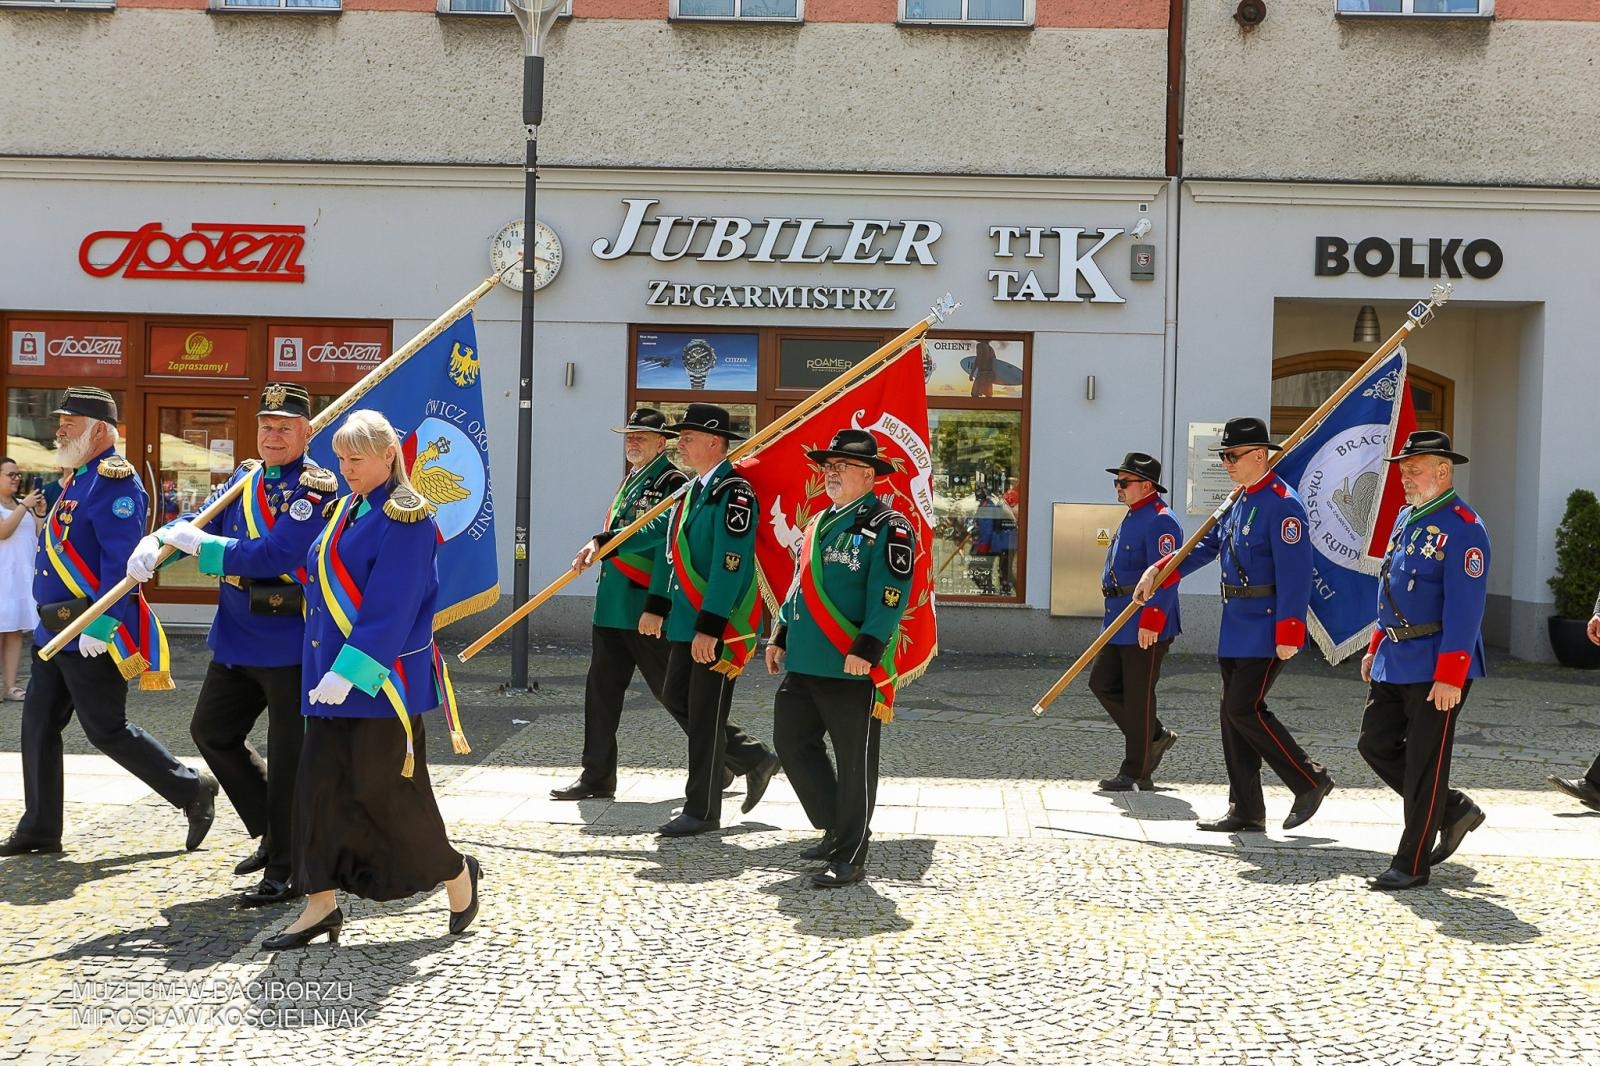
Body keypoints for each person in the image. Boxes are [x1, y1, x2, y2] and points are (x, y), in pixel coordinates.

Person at [262, 409, 478, 951]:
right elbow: (317, 580)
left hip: (379, 687)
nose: (346, 467)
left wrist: (349, 671)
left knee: (389, 797)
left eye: (356, 459)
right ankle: (319, 907)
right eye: (340, 458)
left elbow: (393, 607)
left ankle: (455, 873)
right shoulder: (345, 510)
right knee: (315, 794)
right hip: (326, 684)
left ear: (389, 456)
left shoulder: (408, 519)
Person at [126, 383, 334, 907]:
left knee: (289, 759)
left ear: (306, 433)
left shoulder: (314, 488)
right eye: (266, 425)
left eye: (284, 426)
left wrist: (203, 547)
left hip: (289, 638)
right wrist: (158, 542)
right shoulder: (244, 477)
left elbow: (276, 553)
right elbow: (197, 524)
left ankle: (290, 869)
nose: (272, 435)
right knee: (211, 732)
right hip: (239, 633)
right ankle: (272, 831)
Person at [0, 386, 218, 858]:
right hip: (53, 632)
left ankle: (191, 788)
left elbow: (123, 568)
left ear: (99, 430)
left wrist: (101, 628)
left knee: (105, 729)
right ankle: (40, 826)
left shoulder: (117, 483)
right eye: (60, 419)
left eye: (70, 422)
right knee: (37, 726)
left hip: (89, 629)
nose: (59, 428)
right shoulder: (75, 480)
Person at [1135, 416, 1334, 833]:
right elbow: (1204, 547)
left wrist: (1290, 631)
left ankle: (1309, 778)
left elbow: (1297, 572)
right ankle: (1246, 809)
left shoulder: (1284, 503)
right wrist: (1159, 571)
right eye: (1223, 455)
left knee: (1244, 708)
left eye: (1232, 455)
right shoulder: (1240, 499)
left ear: (1260, 455)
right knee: (1232, 716)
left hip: (1266, 624)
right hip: (1237, 623)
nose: (1226, 462)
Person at [767, 430, 915, 887]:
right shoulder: (819, 522)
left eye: (840, 467)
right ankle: (835, 824)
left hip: (849, 661)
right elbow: (798, 586)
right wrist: (781, 633)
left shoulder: (889, 526)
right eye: (827, 467)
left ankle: (851, 852)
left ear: (868, 475)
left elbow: (890, 592)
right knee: (791, 741)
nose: (829, 473)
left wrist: (868, 648)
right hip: (807, 657)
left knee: (855, 759)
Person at [1358, 431, 1490, 890]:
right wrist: (1376, 644)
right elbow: (1390, 588)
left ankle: (1411, 864)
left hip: (1438, 662)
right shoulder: (1405, 517)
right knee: (1373, 744)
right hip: (1396, 655)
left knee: (1424, 764)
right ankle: (1452, 809)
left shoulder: (1464, 526)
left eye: (1415, 468)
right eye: (1402, 468)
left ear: (1443, 470)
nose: (1405, 476)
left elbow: (1466, 608)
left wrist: (1451, 674)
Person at [644, 403, 781, 836]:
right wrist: (657, 604)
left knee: (704, 714)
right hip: (687, 619)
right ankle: (751, 757)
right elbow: (667, 546)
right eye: (680, 437)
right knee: (675, 697)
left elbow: (730, 564)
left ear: (714, 443)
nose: (679, 443)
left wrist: (711, 627)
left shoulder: (733, 493)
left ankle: (702, 810)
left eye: (687, 437)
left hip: (718, 624)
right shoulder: (692, 490)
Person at [551, 408, 692, 801]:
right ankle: (597, 775)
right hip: (613, 605)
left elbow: (662, 536)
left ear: (661, 443)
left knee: (673, 693)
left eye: (641, 436)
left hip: (643, 605)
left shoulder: (672, 481)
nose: (632, 441)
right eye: (629, 435)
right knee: (601, 692)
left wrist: (657, 605)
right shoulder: (634, 478)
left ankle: (742, 757)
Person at [1089, 452, 1182, 792]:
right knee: (1101, 683)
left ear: (1146, 485)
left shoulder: (1161, 520)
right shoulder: (1134, 515)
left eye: (1124, 482)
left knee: (1139, 696)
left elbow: (1168, 575)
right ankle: (1154, 735)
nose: (1118, 487)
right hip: (1119, 617)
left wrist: (1152, 620)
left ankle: (1137, 771)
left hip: (1143, 619)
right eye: (1117, 481)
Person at [0, 458, 44, 702]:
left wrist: (38, 512)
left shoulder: (21, 504)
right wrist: (24, 506)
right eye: (10, 474)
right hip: (2, 577)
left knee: (14, 631)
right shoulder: (18, 506)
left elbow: (37, 536)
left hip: (19, 578)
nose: (16, 478)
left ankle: (9, 685)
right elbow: (3, 532)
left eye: (18, 474)